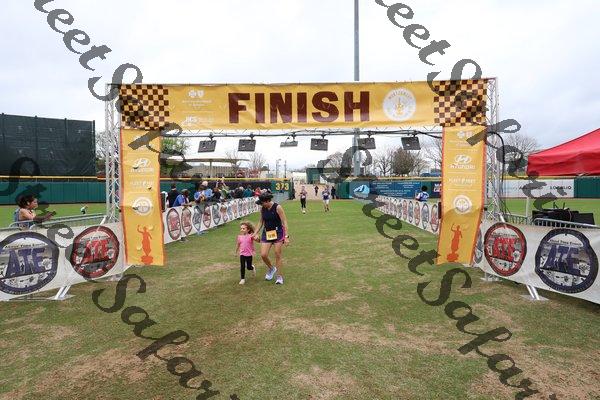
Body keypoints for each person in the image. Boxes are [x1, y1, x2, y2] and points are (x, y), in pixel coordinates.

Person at [253, 193, 290, 285]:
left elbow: (284, 221)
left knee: (277, 254)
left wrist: (286, 236)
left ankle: (279, 277)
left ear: (267, 201)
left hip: (278, 233)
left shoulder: (278, 207)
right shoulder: (263, 208)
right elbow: (261, 221)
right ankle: (272, 268)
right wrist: (255, 233)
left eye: (262, 203)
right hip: (267, 233)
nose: (261, 205)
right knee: (263, 254)